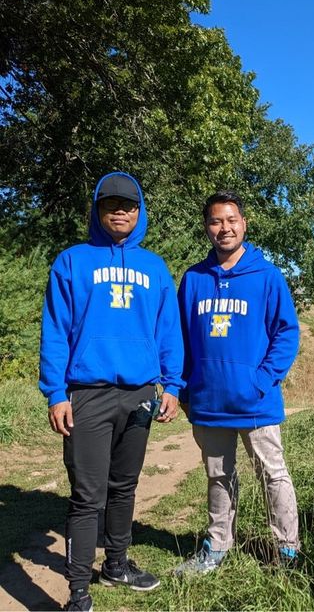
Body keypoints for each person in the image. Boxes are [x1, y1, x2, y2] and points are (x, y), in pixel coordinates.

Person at [39, 172, 184, 611]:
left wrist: (172, 384)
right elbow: (55, 331)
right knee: (88, 496)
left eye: (128, 205)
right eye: (110, 204)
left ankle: (117, 563)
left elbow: (167, 331)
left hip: (139, 392)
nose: (120, 211)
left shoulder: (155, 266)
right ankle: (79, 592)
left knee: (124, 485)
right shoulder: (72, 262)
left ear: (139, 212)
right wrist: (56, 392)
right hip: (87, 394)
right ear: (98, 210)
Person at [174, 191, 300, 575]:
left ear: (244, 224)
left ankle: (287, 548)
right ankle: (218, 545)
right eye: (215, 221)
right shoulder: (193, 279)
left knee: (273, 474)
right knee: (218, 475)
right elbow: (179, 339)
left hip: (256, 402)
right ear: (207, 228)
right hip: (208, 402)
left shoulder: (267, 276)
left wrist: (261, 381)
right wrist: (183, 388)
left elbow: (286, 333)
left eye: (231, 220)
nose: (224, 228)